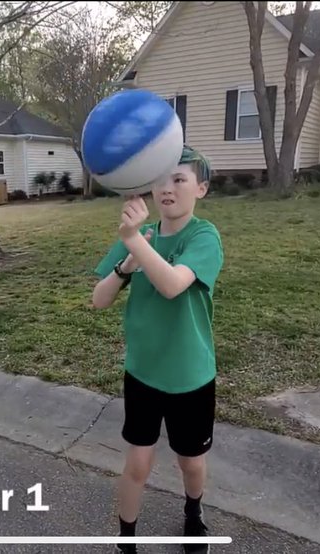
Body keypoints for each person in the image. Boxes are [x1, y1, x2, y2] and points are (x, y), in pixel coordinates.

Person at [91, 145, 224, 554]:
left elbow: (171, 285)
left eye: (179, 179)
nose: (167, 188)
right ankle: (126, 542)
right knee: (137, 464)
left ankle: (193, 512)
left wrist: (134, 241)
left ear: (200, 188)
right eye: (161, 180)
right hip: (143, 372)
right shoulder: (142, 237)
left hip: (190, 376)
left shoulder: (204, 236)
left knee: (191, 462)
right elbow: (98, 299)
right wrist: (126, 262)